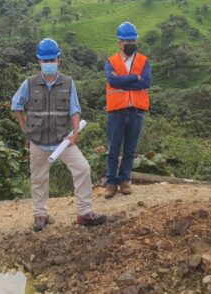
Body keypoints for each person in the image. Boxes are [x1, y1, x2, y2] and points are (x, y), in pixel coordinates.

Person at [11, 38, 107, 231]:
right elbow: (16, 106)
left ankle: (84, 213)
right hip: (38, 141)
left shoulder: (68, 83)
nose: (48, 64)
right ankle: (40, 216)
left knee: (82, 168)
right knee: (39, 179)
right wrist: (26, 129)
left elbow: (74, 110)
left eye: (51, 60)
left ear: (58, 60)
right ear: (39, 62)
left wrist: (75, 133)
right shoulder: (29, 84)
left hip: (62, 140)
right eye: (45, 61)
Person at [103, 22, 151, 199]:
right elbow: (113, 82)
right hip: (116, 111)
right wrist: (133, 77)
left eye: (132, 40)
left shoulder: (144, 61)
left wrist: (124, 79)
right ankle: (110, 182)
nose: (130, 43)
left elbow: (145, 82)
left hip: (137, 110)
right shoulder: (111, 61)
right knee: (113, 149)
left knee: (130, 149)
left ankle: (124, 180)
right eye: (126, 40)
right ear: (119, 42)